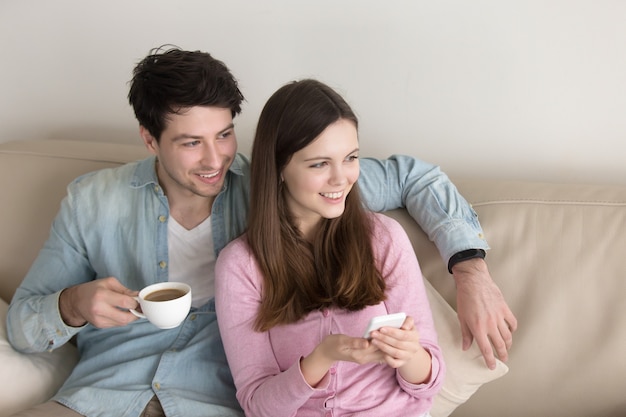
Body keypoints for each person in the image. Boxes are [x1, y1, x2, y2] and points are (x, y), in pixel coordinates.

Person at [5, 46, 514, 417]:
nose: (215, 160)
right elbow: (22, 328)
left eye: (225, 134)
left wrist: (469, 270)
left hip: (210, 402)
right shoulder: (92, 202)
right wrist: (73, 305)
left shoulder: (282, 183)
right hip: (100, 396)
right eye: (190, 143)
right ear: (149, 139)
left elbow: (411, 177)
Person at [215, 79, 445, 416]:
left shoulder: (384, 239)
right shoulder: (240, 265)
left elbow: (430, 380)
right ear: (279, 168)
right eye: (319, 164)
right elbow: (258, 405)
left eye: (350, 158)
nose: (342, 179)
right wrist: (322, 357)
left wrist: (409, 354)